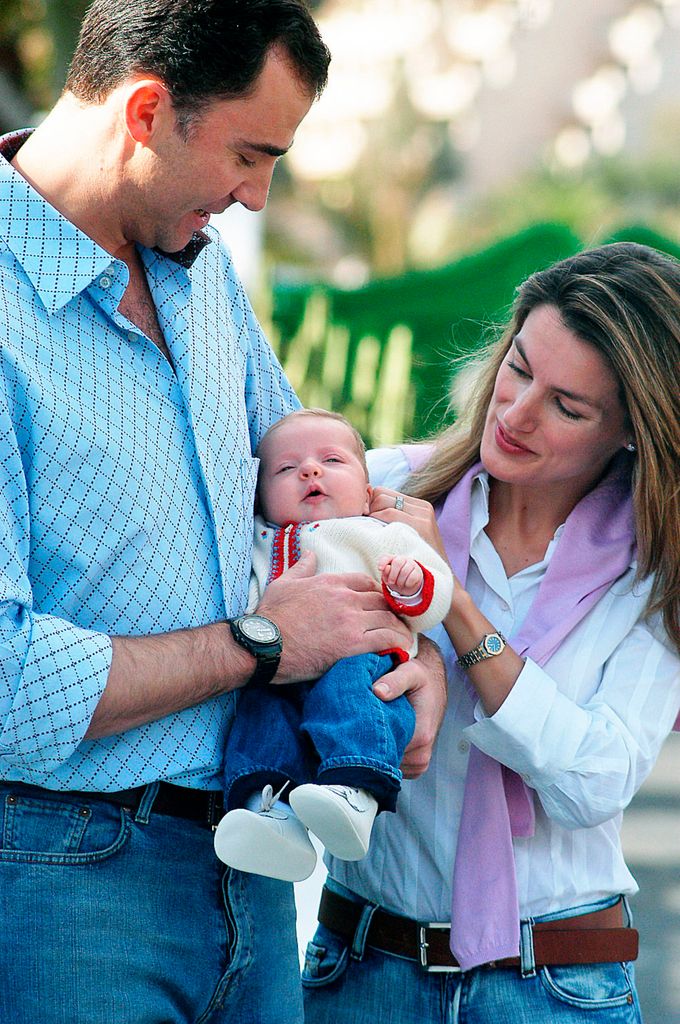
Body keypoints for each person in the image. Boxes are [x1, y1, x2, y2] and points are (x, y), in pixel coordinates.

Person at [0, 3, 447, 1023]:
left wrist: (396, 627)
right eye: (250, 155)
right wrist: (259, 643)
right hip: (61, 880)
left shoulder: (201, 279)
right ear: (148, 110)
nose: (256, 196)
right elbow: (6, 684)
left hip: (250, 871)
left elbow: (310, 466)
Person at [302, 241, 680, 1024]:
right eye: (519, 367)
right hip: (362, 974)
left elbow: (594, 782)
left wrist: (454, 610)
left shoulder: (658, 573)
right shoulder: (382, 490)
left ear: (631, 433)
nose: (515, 413)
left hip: (557, 988)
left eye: (567, 407)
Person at [213, 409, 453, 880]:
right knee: (262, 714)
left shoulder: (381, 534)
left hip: (362, 659)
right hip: (278, 665)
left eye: (332, 460)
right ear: (260, 495)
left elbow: (435, 595)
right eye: (286, 469)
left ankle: (355, 791)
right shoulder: (259, 541)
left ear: (367, 495)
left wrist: (409, 585)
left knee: (350, 697)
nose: (310, 471)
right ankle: (271, 814)